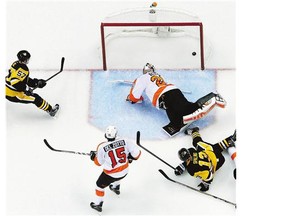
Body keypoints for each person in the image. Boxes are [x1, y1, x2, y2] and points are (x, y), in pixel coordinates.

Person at [126, 63, 226, 136]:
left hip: (164, 96)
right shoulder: (158, 76)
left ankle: (213, 96)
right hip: (173, 91)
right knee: (183, 110)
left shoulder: (141, 78)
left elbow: (134, 96)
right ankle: (178, 121)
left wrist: (132, 99)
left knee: (182, 113)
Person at [90, 126, 141, 212]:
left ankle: (98, 204)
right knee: (118, 173)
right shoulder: (125, 141)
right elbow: (137, 154)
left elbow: (98, 163)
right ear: (116, 134)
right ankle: (116, 187)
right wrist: (130, 157)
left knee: (99, 186)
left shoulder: (101, 147)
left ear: (105, 135)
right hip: (125, 171)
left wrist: (93, 157)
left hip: (110, 175)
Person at [174, 127, 236, 191]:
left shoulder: (192, 170)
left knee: (199, 144)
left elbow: (209, 175)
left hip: (215, 158)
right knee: (203, 145)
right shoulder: (191, 153)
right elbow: (190, 161)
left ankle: (194, 131)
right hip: (212, 154)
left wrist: (206, 184)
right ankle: (228, 141)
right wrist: (181, 167)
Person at [5, 50, 59, 117]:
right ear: (25, 60)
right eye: (27, 59)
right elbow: (15, 83)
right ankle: (50, 110)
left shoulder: (16, 64)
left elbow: (23, 79)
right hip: (13, 94)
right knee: (36, 99)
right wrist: (26, 89)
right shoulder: (23, 69)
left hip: (5, 89)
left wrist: (36, 83)